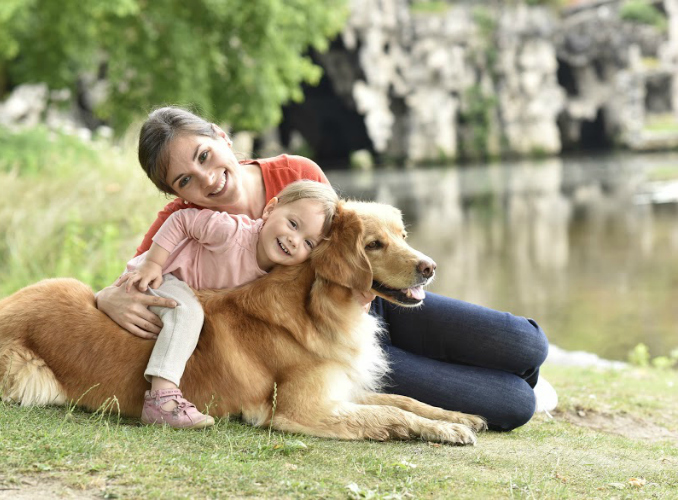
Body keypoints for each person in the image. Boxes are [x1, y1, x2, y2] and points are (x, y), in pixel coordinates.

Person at [96, 106, 552, 432]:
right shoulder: (182, 224)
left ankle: (503, 366)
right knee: (511, 404)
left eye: (203, 155)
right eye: (184, 181)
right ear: (174, 194)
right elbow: (141, 281)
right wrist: (106, 295)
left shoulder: (296, 172)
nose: (206, 179)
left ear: (219, 136)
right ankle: (503, 381)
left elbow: (359, 235)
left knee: (526, 343)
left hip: (368, 302)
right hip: (311, 345)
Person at [120, 180, 338, 429]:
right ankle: (162, 400)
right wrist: (153, 264)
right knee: (186, 312)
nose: (294, 240)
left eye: (309, 243)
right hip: (160, 277)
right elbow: (182, 220)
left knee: (194, 315)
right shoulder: (231, 232)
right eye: (293, 224)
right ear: (270, 209)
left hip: (188, 292)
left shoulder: (277, 272)